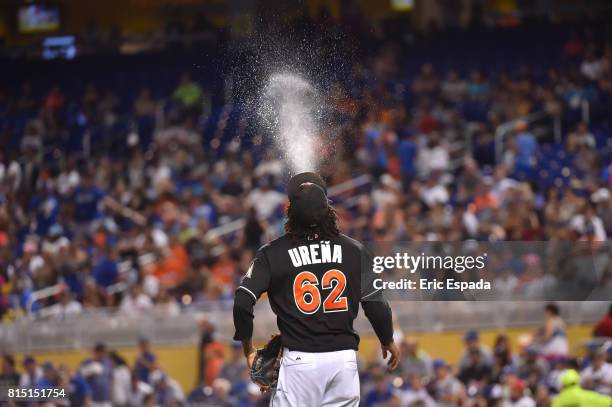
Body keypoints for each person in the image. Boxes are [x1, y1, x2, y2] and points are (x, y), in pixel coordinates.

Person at [233, 172, 400, 407]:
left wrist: (248, 348)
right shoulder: (354, 250)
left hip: (300, 363)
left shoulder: (272, 253)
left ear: (290, 213)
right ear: (328, 210)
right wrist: (387, 339)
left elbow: (242, 302)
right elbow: (376, 305)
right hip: (344, 363)